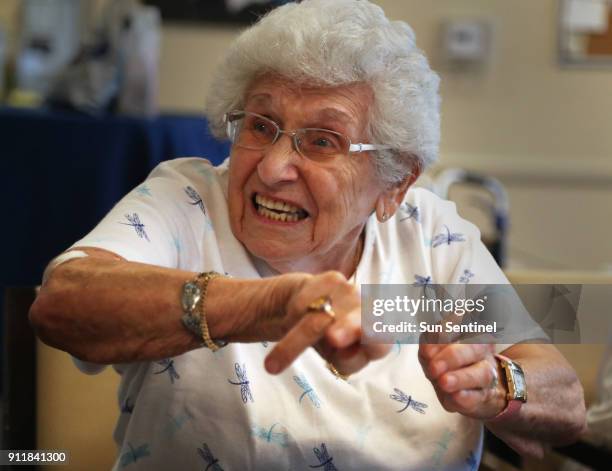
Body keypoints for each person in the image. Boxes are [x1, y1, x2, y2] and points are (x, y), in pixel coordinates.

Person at [30, 1, 586, 469]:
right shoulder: (190, 202)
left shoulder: (431, 236)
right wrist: (266, 303)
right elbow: (63, 304)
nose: (272, 167)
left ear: (395, 182)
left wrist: (497, 385)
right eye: (260, 125)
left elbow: (564, 400)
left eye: (321, 141)